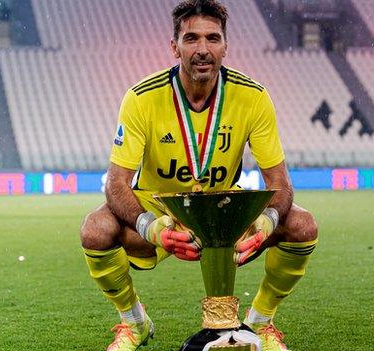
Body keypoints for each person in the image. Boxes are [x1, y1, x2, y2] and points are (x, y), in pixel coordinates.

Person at [79, 0, 318, 350]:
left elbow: (279, 183)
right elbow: (116, 183)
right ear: (174, 46)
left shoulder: (253, 97)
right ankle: (134, 323)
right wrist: (153, 227)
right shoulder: (141, 98)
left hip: (224, 211)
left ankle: (260, 323)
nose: (202, 49)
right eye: (191, 39)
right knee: (95, 229)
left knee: (302, 225)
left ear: (225, 45)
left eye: (212, 38)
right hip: (162, 210)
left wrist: (266, 222)